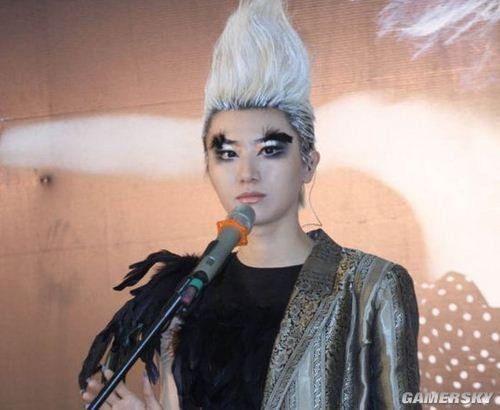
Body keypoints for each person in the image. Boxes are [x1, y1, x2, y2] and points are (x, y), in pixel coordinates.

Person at [80, 0, 420, 409]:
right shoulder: (187, 296)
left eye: (270, 150)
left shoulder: (370, 286)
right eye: (227, 153)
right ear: (208, 167)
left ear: (308, 163)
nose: (247, 173)